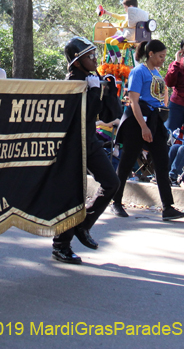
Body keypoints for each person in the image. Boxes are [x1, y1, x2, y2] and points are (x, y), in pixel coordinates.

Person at [51, 37, 120, 265]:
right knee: (73, 194)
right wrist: (92, 92)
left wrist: (109, 91)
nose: (94, 59)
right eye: (88, 57)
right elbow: (80, 116)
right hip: (71, 144)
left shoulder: (94, 78)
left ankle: (84, 225)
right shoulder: (71, 82)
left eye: (93, 55)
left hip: (89, 140)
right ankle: (61, 245)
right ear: (77, 63)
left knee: (112, 183)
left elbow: (110, 117)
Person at [109, 39, 184, 221]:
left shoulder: (156, 73)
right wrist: (143, 127)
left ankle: (168, 207)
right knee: (127, 160)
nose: (162, 60)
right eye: (160, 56)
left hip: (155, 120)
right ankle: (116, 202)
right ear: (150, 54)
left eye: (165, 56)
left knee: (162, 162)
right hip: (138, 120)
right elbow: (133, 102)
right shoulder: (138, 72)